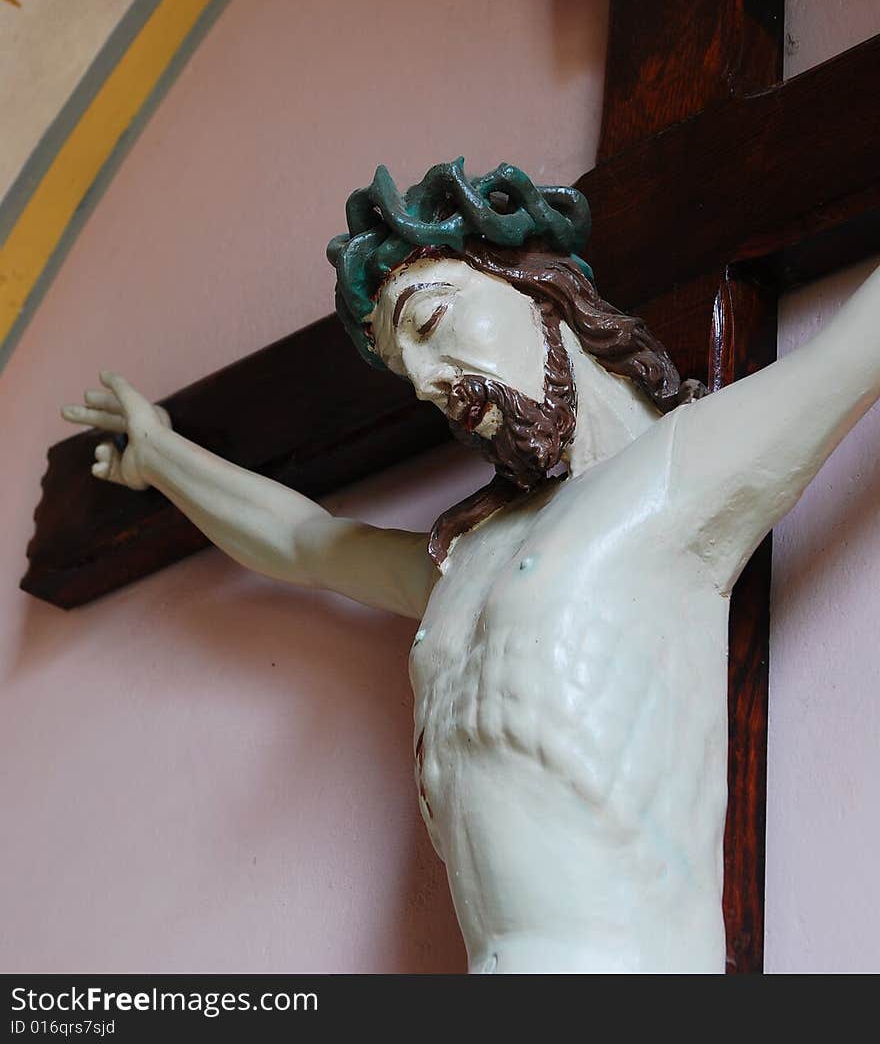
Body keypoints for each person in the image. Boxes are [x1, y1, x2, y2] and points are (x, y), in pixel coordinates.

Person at [61, 160, 880, 974]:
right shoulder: (467, 560)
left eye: (430, 322)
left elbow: (849, 355)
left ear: (536, 288)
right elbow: (305, 542)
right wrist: (164, 456)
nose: (425, 383)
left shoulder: (682, 474)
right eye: (403, 367)